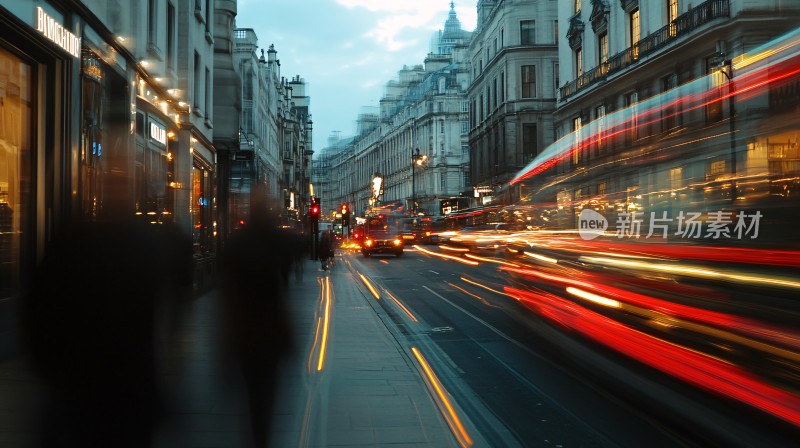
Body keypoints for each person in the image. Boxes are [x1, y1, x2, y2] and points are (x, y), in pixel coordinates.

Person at [218, 189, 293, 448]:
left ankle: (254, 434)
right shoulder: (275, 241)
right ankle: (262, 436)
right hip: (270, 333)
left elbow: (228, 293)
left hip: (243, 332)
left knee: (250, 391)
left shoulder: (237, 243)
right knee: (267, 392)